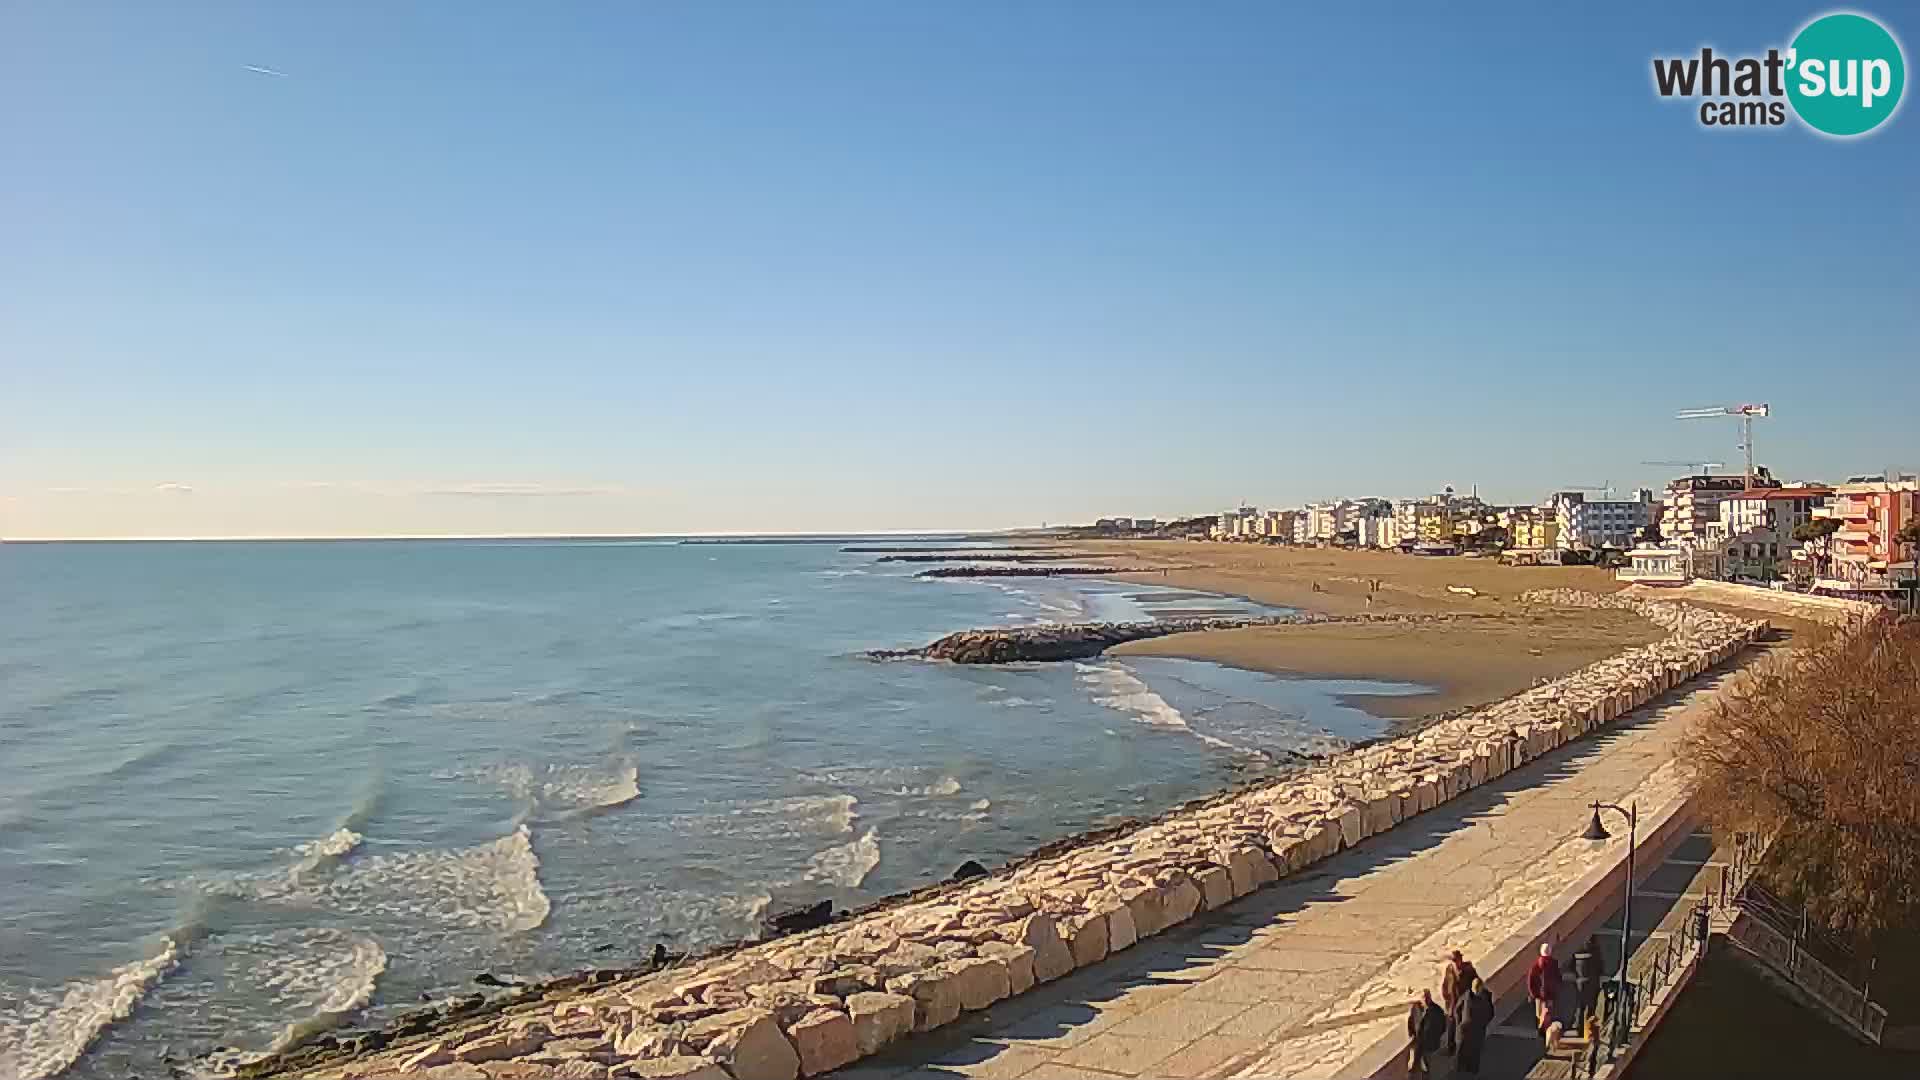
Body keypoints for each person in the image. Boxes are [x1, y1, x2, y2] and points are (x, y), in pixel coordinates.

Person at [1456, 977, 1495, 1076]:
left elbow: (1490, 1013)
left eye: (1478, 988)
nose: (1476, 990)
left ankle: (1472, 1071)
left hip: (1478, 1030)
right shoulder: (1467, 995)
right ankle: (1462, 1071)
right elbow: (1457, 1009)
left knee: (1475, 1051)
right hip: (1466, 1028)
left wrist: (1483, 1023)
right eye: (1475, 988)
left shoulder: (1486, 996)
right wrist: (1460, 1022)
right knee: (1463, 1051)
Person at [1439, 950, 1476, 1053]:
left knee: (1464, 1025)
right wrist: (1447, 998)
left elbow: (1475, 983)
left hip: (1464, 1001)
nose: (1456, 962)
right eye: (1454, 960)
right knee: (1452, 1025)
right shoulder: (1449, 970)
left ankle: (1465, 1046)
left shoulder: (1468, 969)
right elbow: (1445, 986)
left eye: (1457, 960)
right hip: (1452, 1003)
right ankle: (1451, 1047)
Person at [1406, 989, 1447, 1075]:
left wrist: (1436, 1037)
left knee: (1426, 1067)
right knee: (1414, 1066)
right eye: (1424, 997)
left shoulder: (1437, 1010)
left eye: (1427, 997)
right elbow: (1410, 1022)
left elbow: (1443, 1025)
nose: (1425, 999)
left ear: (1430, 997)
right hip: (1418, 1042)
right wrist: (1411, 1035)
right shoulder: (1416, 1008)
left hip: (1430, 1044)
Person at [1527, 942, 1563, 1036]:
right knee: (1548, 1013)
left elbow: (1531, 981)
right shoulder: (1554, 964)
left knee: (1539, 1014)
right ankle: (1547, 1031)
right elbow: (1559, 979)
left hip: (1539, 995)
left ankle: (1541, 1030)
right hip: (1551, 994)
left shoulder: (1536, 965)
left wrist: (1533, 994)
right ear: (1550, 952)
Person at [1572, 935, 1604, 1032]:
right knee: (1591, 1005)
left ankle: (1578, 1025)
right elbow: (1600, 967)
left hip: (1580, 982)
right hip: (1593, 981)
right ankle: (1589, 1027)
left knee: (1580, 1005)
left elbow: (1572, 967)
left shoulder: (1577, 951)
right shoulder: (1596, 952)